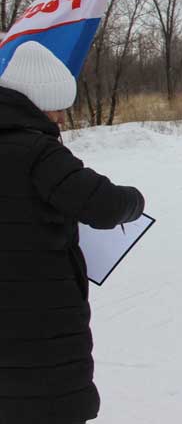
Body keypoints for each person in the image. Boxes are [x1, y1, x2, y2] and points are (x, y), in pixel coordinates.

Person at [0, 42, 145, 424]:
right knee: (46, 402)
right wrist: (135, 201)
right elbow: (105, 205)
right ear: (38, 102)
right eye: (58, 107)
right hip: (39, 313)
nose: (61, 118)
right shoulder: (37, 152)